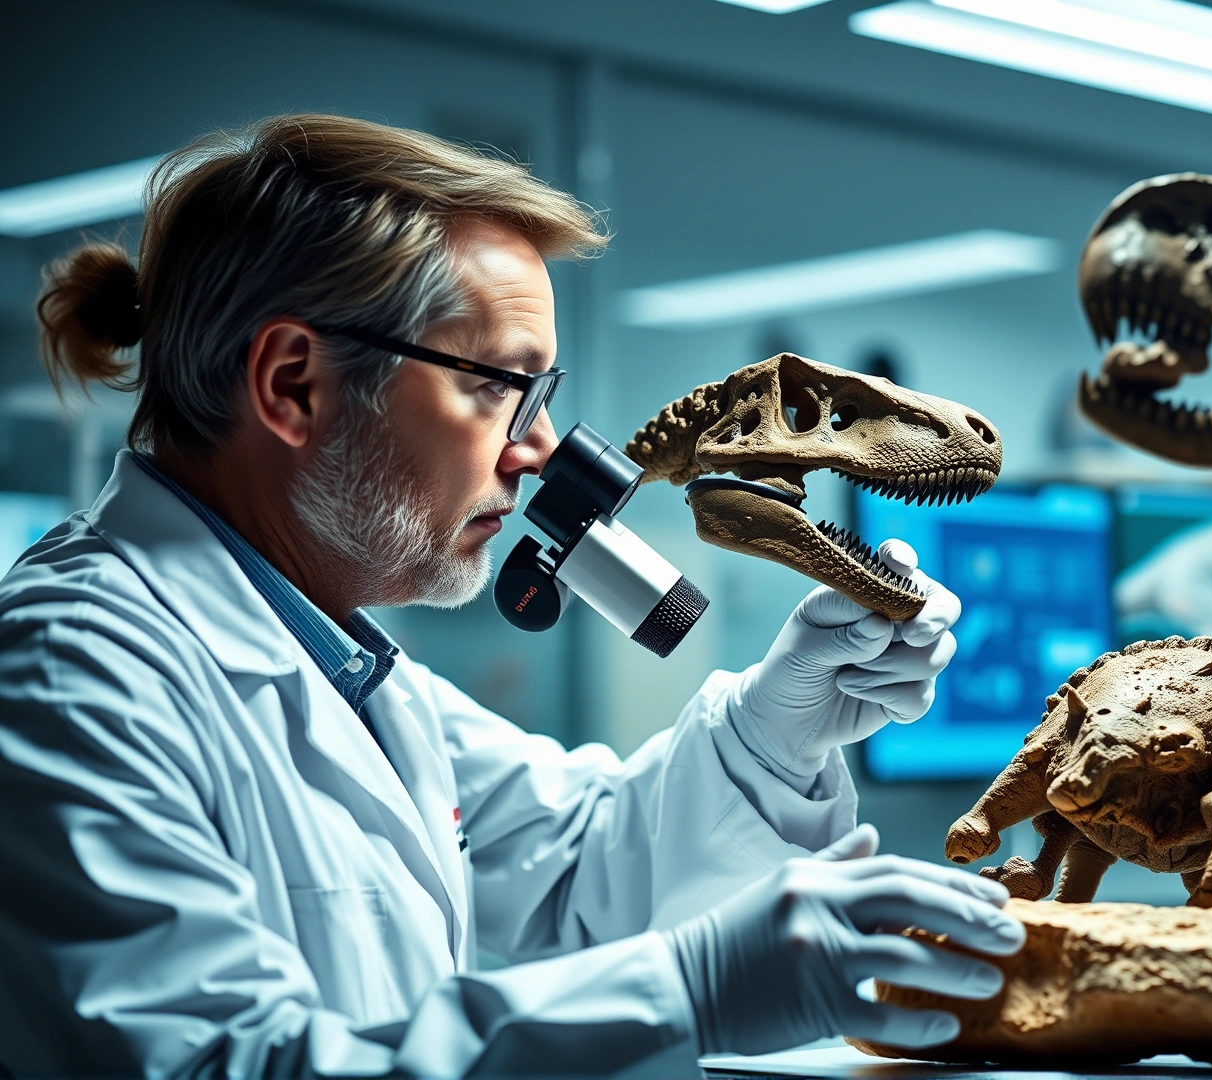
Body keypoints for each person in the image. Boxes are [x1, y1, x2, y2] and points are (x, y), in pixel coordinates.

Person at [0, 115, 1022, 1079]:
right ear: (293, 385)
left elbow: (578, 869)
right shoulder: (72, 673)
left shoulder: (348, 668)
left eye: (542, 395)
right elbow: (219, 1063)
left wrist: (776, 727)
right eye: (499, 385)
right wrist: (688, 989)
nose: (536, 451)